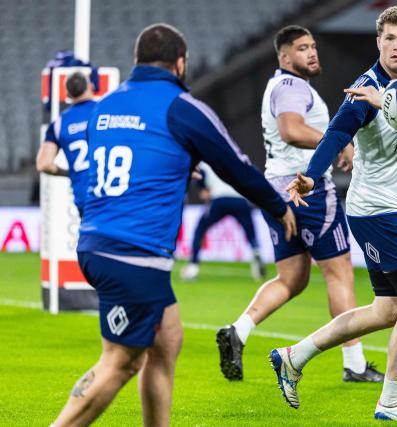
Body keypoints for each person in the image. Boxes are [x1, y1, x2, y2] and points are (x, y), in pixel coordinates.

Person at [52, 23, 296, 426]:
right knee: (119, 362)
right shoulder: (181, 106)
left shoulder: (107, 106)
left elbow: (133, 162)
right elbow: (235, 165)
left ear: (137, 60)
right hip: (133, 252)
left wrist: (180, 170)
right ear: (180, 64)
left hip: (98, 239)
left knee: (167, 339)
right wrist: (276, 204)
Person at [279, 7, 397, 422]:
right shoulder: (362, 90)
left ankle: (293, 357)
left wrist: (388, 101)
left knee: (389, 309)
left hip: (393, 209)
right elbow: (336, 133)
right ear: (378, 42)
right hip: (378, 210)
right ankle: (391, 402)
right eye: (389, 38)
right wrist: (311, 177)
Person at [216, 25, 384, 384]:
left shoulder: (281, 86)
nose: (312, 53)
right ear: (284, 56)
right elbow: (291, 129)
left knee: (291, 279)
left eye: (313, 46)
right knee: (339, 274)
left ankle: (239, 330)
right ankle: (354, 364)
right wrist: (336, 143)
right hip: (306, 190)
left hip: (276, 188)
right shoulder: (291, 86)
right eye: (302, 48)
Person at [181, 162, 266, 281]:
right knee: (250, 233)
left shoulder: (208, 161)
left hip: (219, 199)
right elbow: (253, 176)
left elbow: (200, 179)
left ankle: (193, 266)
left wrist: (203, 189)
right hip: (240, 201)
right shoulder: (239, 160)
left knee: (200, 230)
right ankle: (256, 251)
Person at [36, 72, 96, 217]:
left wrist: (70, 173)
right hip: (108, 192)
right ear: (90, 86)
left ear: (68, 94)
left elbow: (44, 164)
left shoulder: (59, 124)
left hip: (83, 197)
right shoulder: (103, 110)